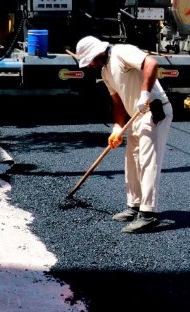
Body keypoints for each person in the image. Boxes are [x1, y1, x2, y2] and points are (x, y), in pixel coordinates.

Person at [75, 36, 173, 233]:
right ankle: (134, 206)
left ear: (97, 52)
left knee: (147, 162)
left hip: (154, 110)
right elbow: (117, 102)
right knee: (132, 161)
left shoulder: (121, 52)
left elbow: (151, 63)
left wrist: (145, 94)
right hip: (136, 116)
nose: (91, 65)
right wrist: (117, 128)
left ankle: (148, 214)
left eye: (90, 60)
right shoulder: (105, 71)